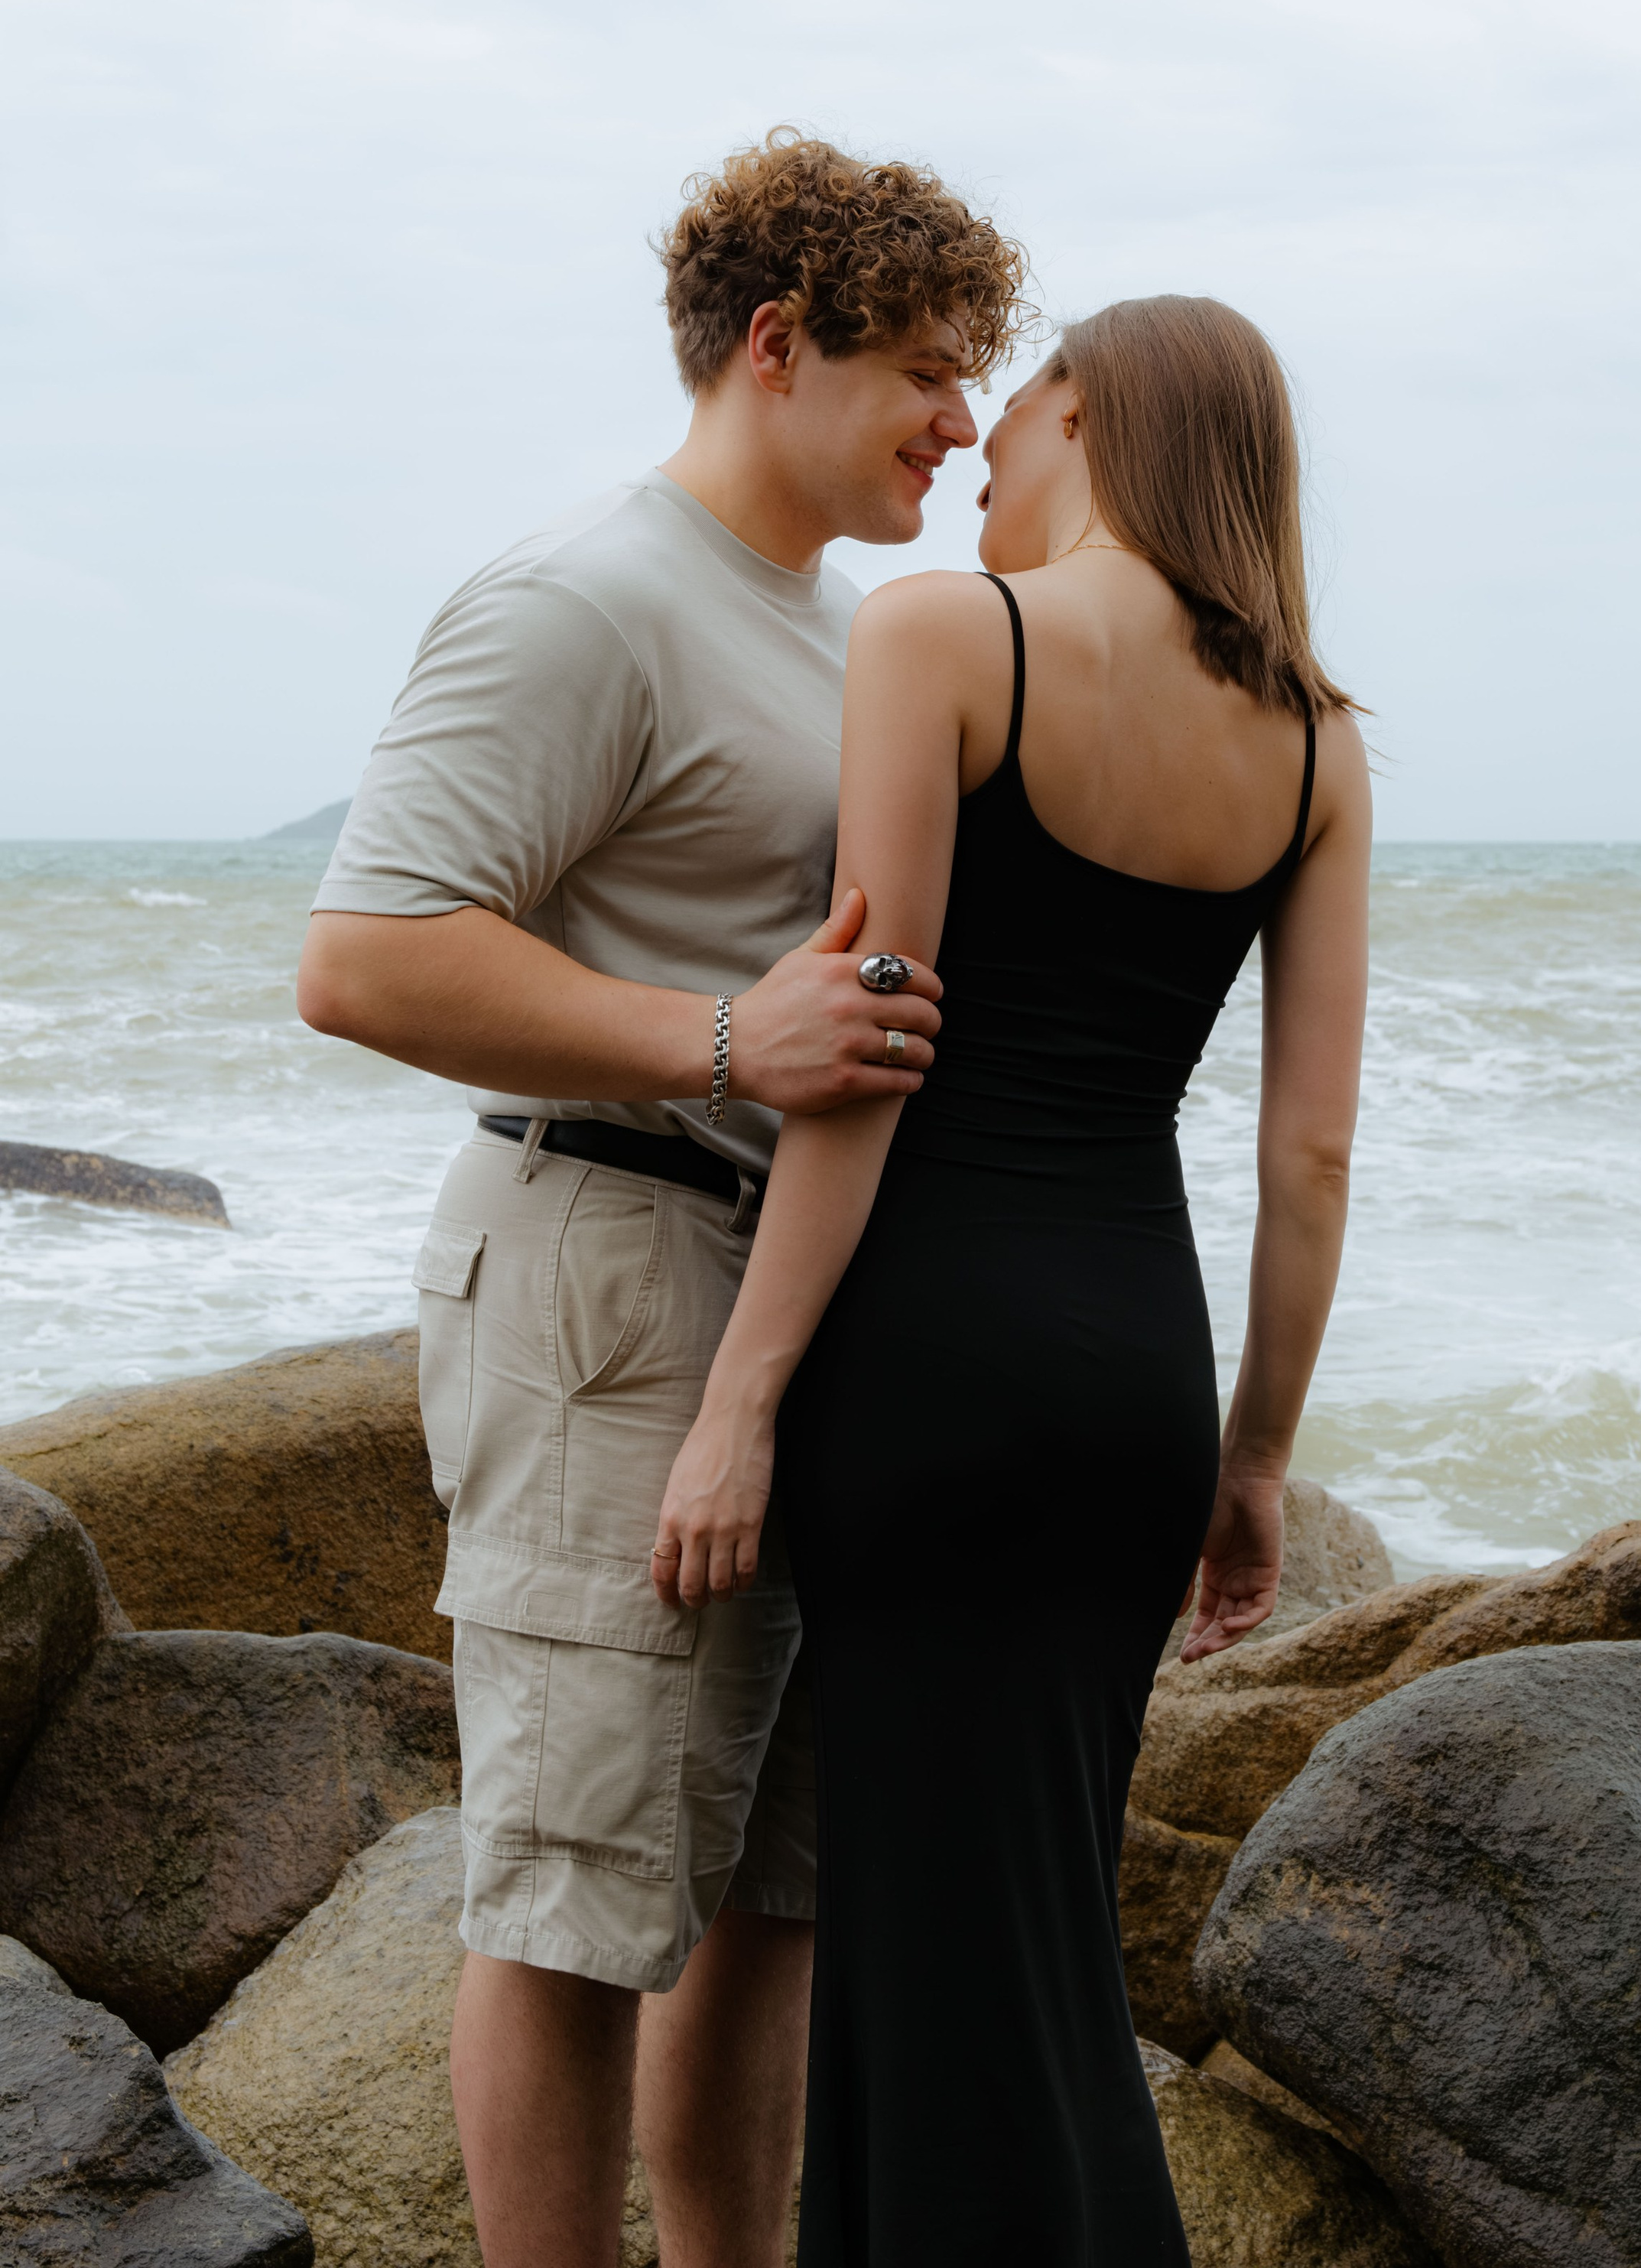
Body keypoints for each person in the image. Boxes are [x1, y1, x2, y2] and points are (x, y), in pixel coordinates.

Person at [294, 131, 1029, 2268]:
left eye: (980, 379)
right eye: (927, 369)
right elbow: (364, 956)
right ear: (779, 347)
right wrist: (728, 1040)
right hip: (609, 1273)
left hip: (786, 1307)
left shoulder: (835, 631)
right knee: (575, 1894)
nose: (962, 424)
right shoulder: (581, 599)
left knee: (760, 1897)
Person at [653, 292, 1372, 2265]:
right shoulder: (1316, 736)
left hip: (929, 1360)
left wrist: (739, 1399)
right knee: (1025, 1922)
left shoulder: (942, 637)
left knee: (934, 1940)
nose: (978, 447)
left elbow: (869, 1053)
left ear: (1097, 418)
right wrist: (1253, 1464)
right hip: (1136, 1367)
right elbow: (1307, 1155)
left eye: (1018, 407)